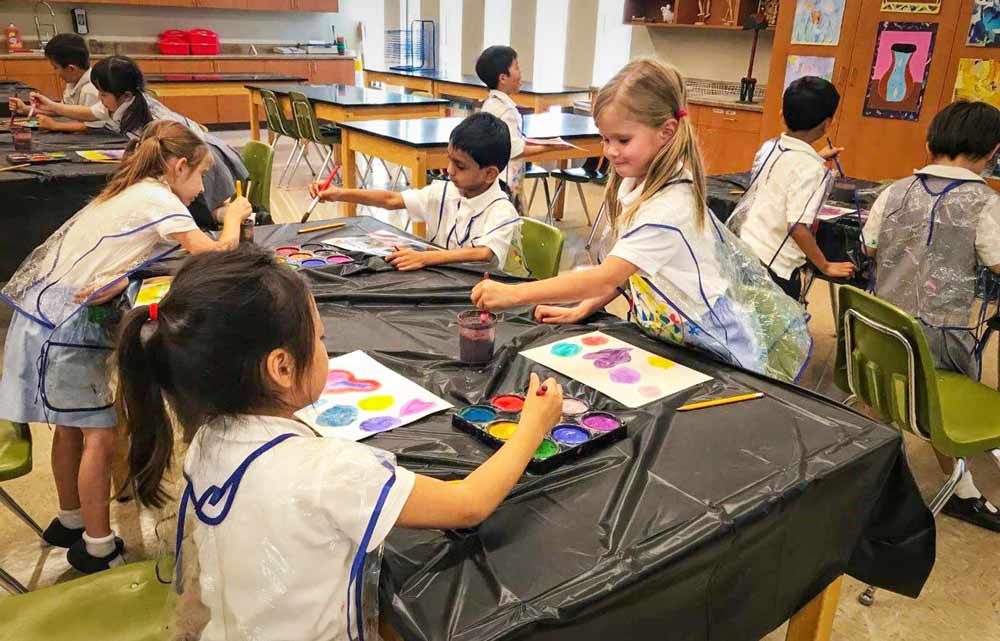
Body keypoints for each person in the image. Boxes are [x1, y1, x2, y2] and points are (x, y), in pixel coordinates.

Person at [115, 246, 563, 641]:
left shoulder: (205, 440)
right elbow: (467, 504)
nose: (326, 347)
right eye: (322, 338)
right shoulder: (331, 469)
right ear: (282, 368)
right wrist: (531, 429)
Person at [0, 121, 252, 573]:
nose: (199, 190)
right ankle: (98, 547)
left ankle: (70, 519)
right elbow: (217, 254)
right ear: (177, 167)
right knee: (99, 435)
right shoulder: (156, 198)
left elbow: (131, 251)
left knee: (71, 427)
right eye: (198, 177)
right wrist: (234, 216)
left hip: (47, 322)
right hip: (67, 331)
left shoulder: (135, 189)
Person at [470, 58, 812, 383]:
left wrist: (513, 294)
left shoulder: (669, 207)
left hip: (714, 346)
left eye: (622, 140)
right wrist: (584, 308)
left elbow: (607, 276)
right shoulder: (637, 181)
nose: (610, 151)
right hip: (670, 337)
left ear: (666, 131)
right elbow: (631, 271)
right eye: (605, 139)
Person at [863, 100, 1000, 532]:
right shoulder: (984, 204)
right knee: (940, 398)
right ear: (992, 153)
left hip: (880, 333)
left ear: (929, 142)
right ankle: (962, 491)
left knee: (890, 391)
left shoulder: (894, 191)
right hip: (941, 342)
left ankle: (858, 470)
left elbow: (869, 246)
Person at [28, 55, 249, 229]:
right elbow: (93, 113)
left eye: (103, 95)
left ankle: (231, 217)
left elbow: (191, 160)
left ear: (124, 95)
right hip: (188, 164)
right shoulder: (128, 103)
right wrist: (53, 107)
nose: (99, 100)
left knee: (204, 215)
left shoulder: (154, 120)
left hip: (202, 162)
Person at [309, 112, 529, 276]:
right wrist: (338, 193)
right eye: (449, 159)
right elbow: (391, 200)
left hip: (482, 291)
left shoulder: (501, 210)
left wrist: (425, 258)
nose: (449, 170)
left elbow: (483, 254)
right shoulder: (445, 191)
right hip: (445, 280)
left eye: (460, 166)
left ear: (490, 174)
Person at [729, 76, 855, 301]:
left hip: (746, 250)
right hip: (775, 270)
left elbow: (787, 172)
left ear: (781, 115)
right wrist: (825, 266)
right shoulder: (812, 170)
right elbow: (797, 226)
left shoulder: (770, 147)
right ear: (827, 124)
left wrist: (815, 158)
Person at [474, 45, 550, 200]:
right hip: (505, 179)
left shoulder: (491, 104)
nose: (520, 73)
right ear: (503, 78)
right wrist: (547, 148)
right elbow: (514, 149)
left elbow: (512, 140)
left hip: (501, 178)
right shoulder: (505, 111)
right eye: (516, 67)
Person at [7, 33, 102, 133]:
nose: (55, 72)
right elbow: (63, 109)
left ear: (71, 69)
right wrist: (26, 109)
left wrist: (55, 125)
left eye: (56, 67)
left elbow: (95, 127)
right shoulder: (73, 82)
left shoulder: (91, 90)